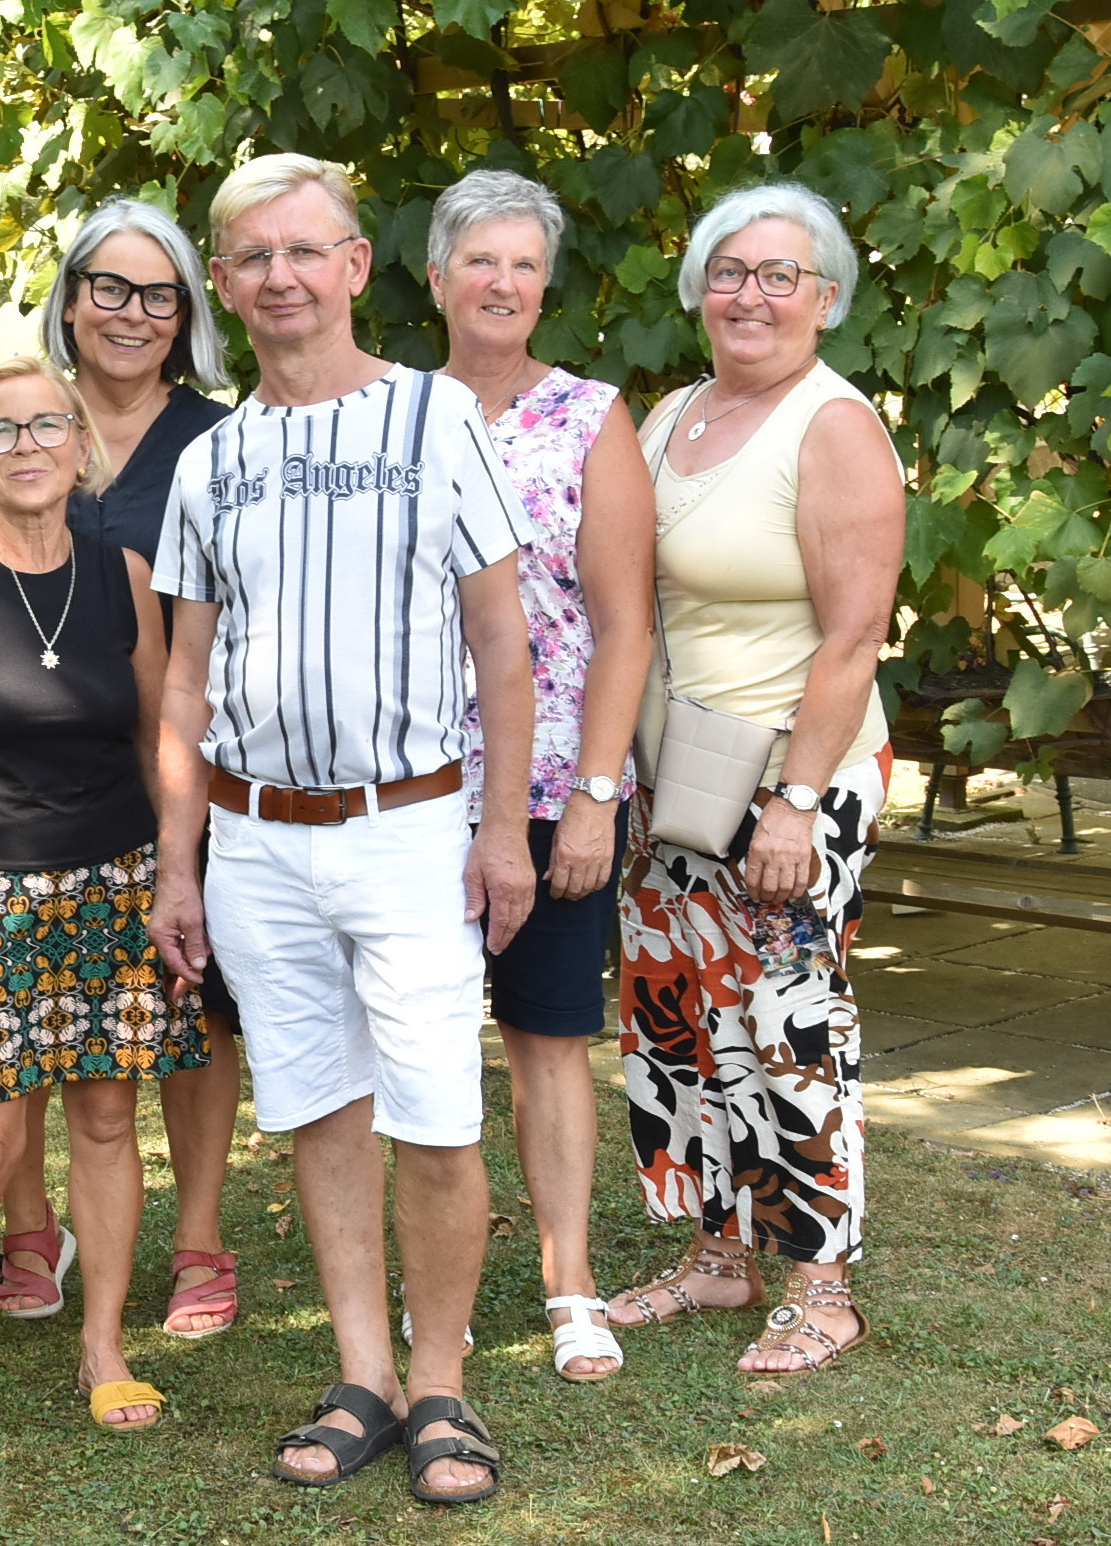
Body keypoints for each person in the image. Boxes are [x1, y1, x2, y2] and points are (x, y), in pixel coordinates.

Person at [149, 154, 537, 1505]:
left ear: (358, 264)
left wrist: (503, 834)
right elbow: (184, 681)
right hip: (255, 838)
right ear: (225, 283)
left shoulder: (435, 420)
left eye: (303, 250)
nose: (279, 277)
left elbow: (502, 641)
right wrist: (179, 862)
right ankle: (364, 1372)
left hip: (407, 827)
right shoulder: (209, 461)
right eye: (250, 256)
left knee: (433, 1113)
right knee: (316, 1105)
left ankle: (444, 1384)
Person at [0, 358, 211, 1452]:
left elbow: (160, 731)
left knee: (110, 1119)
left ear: (82, 444)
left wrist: (175, 873)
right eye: (2, 430)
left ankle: (105, 1345)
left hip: (114, 881)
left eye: (46, 426)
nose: (27, 446)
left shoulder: (124, 570)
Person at [605, 182, 904, 1378]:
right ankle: (719, 1259)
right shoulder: (674, 412)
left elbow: (853, 634)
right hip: (680, 769)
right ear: (698, 288)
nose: (752, 295)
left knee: (788, 1020)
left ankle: (820, 1286)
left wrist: (795, 799)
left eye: (783, 275)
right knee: (682, 1013)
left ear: (825, 298)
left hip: (794, 771)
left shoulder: (832, 426)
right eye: (731, 271)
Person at [0, 198, 244, 1338]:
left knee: (188, 1002)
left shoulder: (222, 438)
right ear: (69, 298)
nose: (131, 313)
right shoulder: (17, 420)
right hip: (8, 791)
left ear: (187, 314)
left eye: (158, 294)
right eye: (108, 287)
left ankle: (198, 1236)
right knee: (22, 1020)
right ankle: (29, 1228)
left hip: (173, 763)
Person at [427, 169, 654, 1382]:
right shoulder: (394, 413)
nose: (503, 282)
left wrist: (593, 796)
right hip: (410, 788)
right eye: (480, 260)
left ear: (545, 282)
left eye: (523, 263)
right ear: (435, 277)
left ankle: (571, 1284)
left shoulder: (589, 418)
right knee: (412, 1044)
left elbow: (625, 624)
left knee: (547, 1037)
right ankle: (437, 1293)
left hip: (552, 781)